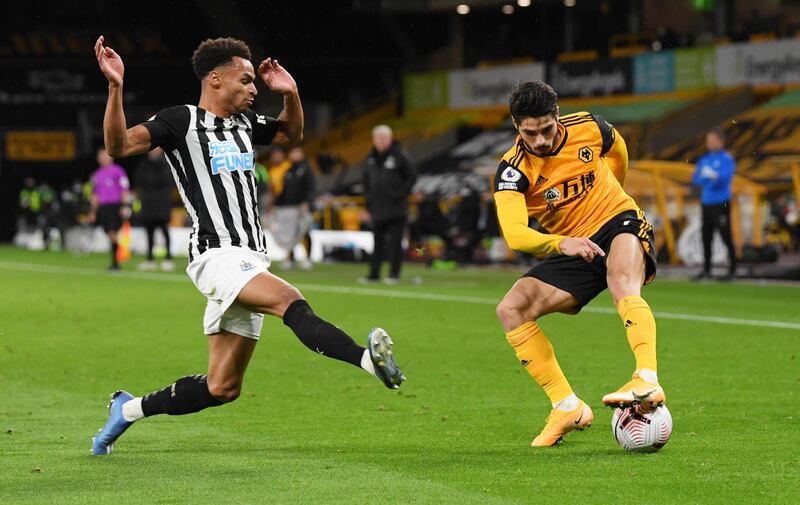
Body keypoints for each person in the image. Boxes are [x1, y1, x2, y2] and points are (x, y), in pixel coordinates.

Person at [90, 35, 405, 456]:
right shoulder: (180, 121)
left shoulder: (246, 123)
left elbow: (292, 135)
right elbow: (119, 145)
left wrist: (290, 94)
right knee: (289, 299)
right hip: (216, 255)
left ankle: (127, 410)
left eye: (256, 81)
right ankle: (368, 361)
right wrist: (115, 88)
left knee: (222, 387)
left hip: (251, 257)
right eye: (246, 80)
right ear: (215, 79)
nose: (255, 89)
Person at [493, 81, 664, 447]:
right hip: (574, 245)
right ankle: (566, 406)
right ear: (515, 125)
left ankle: (647, 378)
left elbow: (618, 151)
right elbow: (515, 235)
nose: (539, 140)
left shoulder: (590, 127)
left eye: (546, 129)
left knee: (621, 280)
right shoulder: (513, 172)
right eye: (529, 133)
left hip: (618, 220)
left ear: (557, 116)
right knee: (512, 308)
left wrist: (616, 193)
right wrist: (561, 243)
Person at [361, 125, 417, 284]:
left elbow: (412, 176)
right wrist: (368, 205)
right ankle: (374, 274)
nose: (381, 141)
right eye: (378, 138)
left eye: (384, 138)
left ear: (390, 139)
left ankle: (394, 274)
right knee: (377, 242)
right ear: (374, 140)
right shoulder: (369, 157)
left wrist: (400, 194)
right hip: (377, 208)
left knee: (395, 243)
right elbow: (366, 182)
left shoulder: (399, 155)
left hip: (396, 208)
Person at [691, 128, 736, 280]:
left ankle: (732, 270)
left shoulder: (727, 159)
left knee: (726, 235)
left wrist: (711, 177)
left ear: (720, 141)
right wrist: (711, 177)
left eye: (712, 140)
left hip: (721, 202)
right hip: (707, 202)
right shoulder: (704, 159)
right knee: (706, 236)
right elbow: (696, 179)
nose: (709, 143)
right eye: (708, 140)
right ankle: (707, 270)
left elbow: (724, 178)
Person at [269, 145, 315, 269]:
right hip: (289, 208)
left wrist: (307, 202)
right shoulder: (288, 171)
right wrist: (276, 204)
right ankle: (291, 259)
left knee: (304, 232)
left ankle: (308, 258)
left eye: (297, 152)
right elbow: (283, 190)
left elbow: (311, 187)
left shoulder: (306, 169)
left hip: (301, 207)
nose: (294, 155)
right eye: (292, 152)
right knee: (290, 234)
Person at [135, 147, 175, 271]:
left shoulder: (166, 163)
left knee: (164, 230)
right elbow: (139, 180)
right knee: (149, 232)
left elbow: (165, 181)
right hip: (148, 204)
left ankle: (168, 258)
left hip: (162, 204)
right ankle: (150, 259)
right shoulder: (143, 164)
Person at [90, 147, 130, 270]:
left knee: (113, 233)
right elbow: (94, 194)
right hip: (103, 207)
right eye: (101, 156)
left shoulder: (118, 171)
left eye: (105, 155)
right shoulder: (96, 175)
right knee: (108, 232)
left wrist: (124, 206)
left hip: (115, 206)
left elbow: (125, 190)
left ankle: (115, 262)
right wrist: (93, 211)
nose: (103, 158)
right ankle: (116, 258)